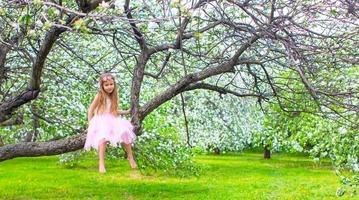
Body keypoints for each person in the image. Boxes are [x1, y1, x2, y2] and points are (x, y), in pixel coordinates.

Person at [84, 73, 137, 173]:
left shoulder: (114, 96)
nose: (109, 87)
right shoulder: (99, 95)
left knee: (125, 131)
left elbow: (114, 111)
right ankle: (101, 163)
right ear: (102, 86)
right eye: (106, 85)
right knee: (102, 139)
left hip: (112, 119)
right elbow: (91, 110)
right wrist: (90, 123)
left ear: (114, 84)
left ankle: (130, 156)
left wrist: (125, 112)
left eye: (111, 84)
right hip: (100, 120)